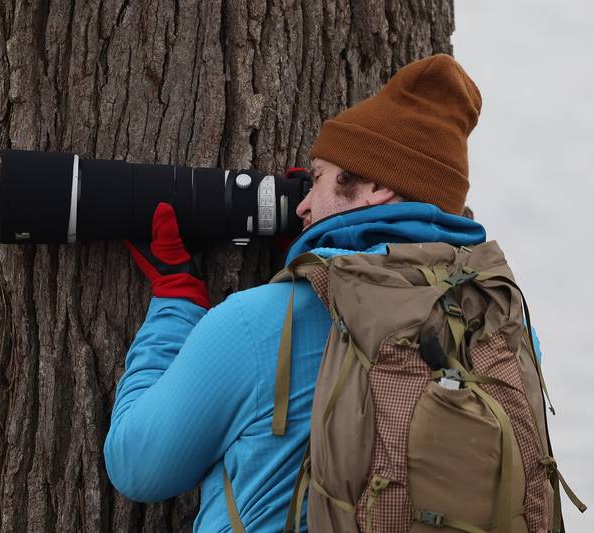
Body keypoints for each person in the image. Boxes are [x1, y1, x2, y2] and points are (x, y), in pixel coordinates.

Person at [104, 54, 488, 531]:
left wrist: (176, 297)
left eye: (318, 179)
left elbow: (137, 465)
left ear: (375, 188)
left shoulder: (261, 323)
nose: (302, 203)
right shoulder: (501, 321)